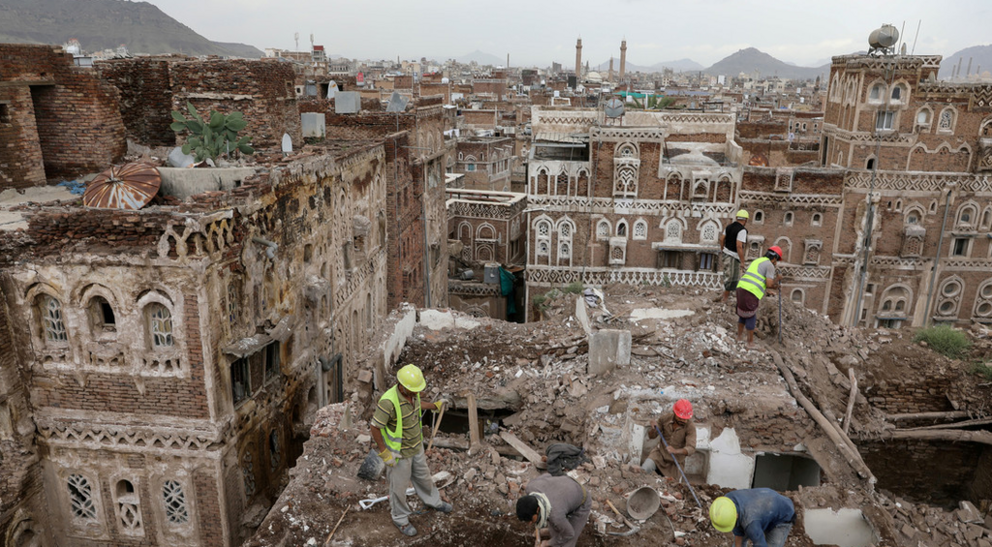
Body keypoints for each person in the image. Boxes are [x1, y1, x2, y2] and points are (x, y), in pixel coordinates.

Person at [370, 364, 452, 536]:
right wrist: (385, 452)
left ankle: (433, 501)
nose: (417, 393)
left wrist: (434, 406)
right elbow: (375, 427)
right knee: (398, 489)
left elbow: (417, 404)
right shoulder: (388, 402)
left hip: (416, 447)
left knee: (424, 478)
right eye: (414, 390)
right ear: (402, 386)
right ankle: (400, 519)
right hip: (399, 454)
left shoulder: (411, 395)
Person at [516, 473, 591, 547]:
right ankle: (553, 531)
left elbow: (569, 534)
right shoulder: (531, 487)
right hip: (565, 486)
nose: (529, 523)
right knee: (555, 524)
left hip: (581, 500)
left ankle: (558, 531)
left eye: (531, 520)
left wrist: (547, 543)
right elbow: (548, 475)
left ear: (538, 509)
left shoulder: (555, 515)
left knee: (567, 542)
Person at [709, 488, 796, 547]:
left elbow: (760, 544)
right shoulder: (727, 502)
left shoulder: (751, 523)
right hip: (762, 509)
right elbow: (738, 532)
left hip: (783, 515)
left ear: (736, 516)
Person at [735, 246, 783, 348]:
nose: (776, 263)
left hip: (741, 287)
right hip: (751, 291)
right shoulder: (770, 265)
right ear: (774, 258)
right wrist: (777, 279)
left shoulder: (758, 260)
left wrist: (775, 286)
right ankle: (750, 343)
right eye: (776, 260)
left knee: (743, 314)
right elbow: (769, 284)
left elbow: (762, 281)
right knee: (751, 315)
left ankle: (739, 337)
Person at [640, 399, 697, 480]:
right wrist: (653, 429)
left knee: (670, 487)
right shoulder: (665, 419)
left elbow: (691, 448)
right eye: (681, 418)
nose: (683, 420)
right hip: (658, 455)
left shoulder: (690, 427)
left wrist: (676, 451)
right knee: (643, 471)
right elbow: (652, 436)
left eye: (686, 418)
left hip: (675, 463)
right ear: (674, 413)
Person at [718, 210, 750, 303]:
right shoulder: (742, 230)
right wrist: (742, 261)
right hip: (733, 256)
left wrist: (722, 248)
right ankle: (725, 298)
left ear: (737, 218)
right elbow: (739, 246)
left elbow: (722, 238)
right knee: (731, 277)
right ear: (746, 220)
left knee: (729, 275)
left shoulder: (729, 227)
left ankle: (727, 295)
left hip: (726, 253)